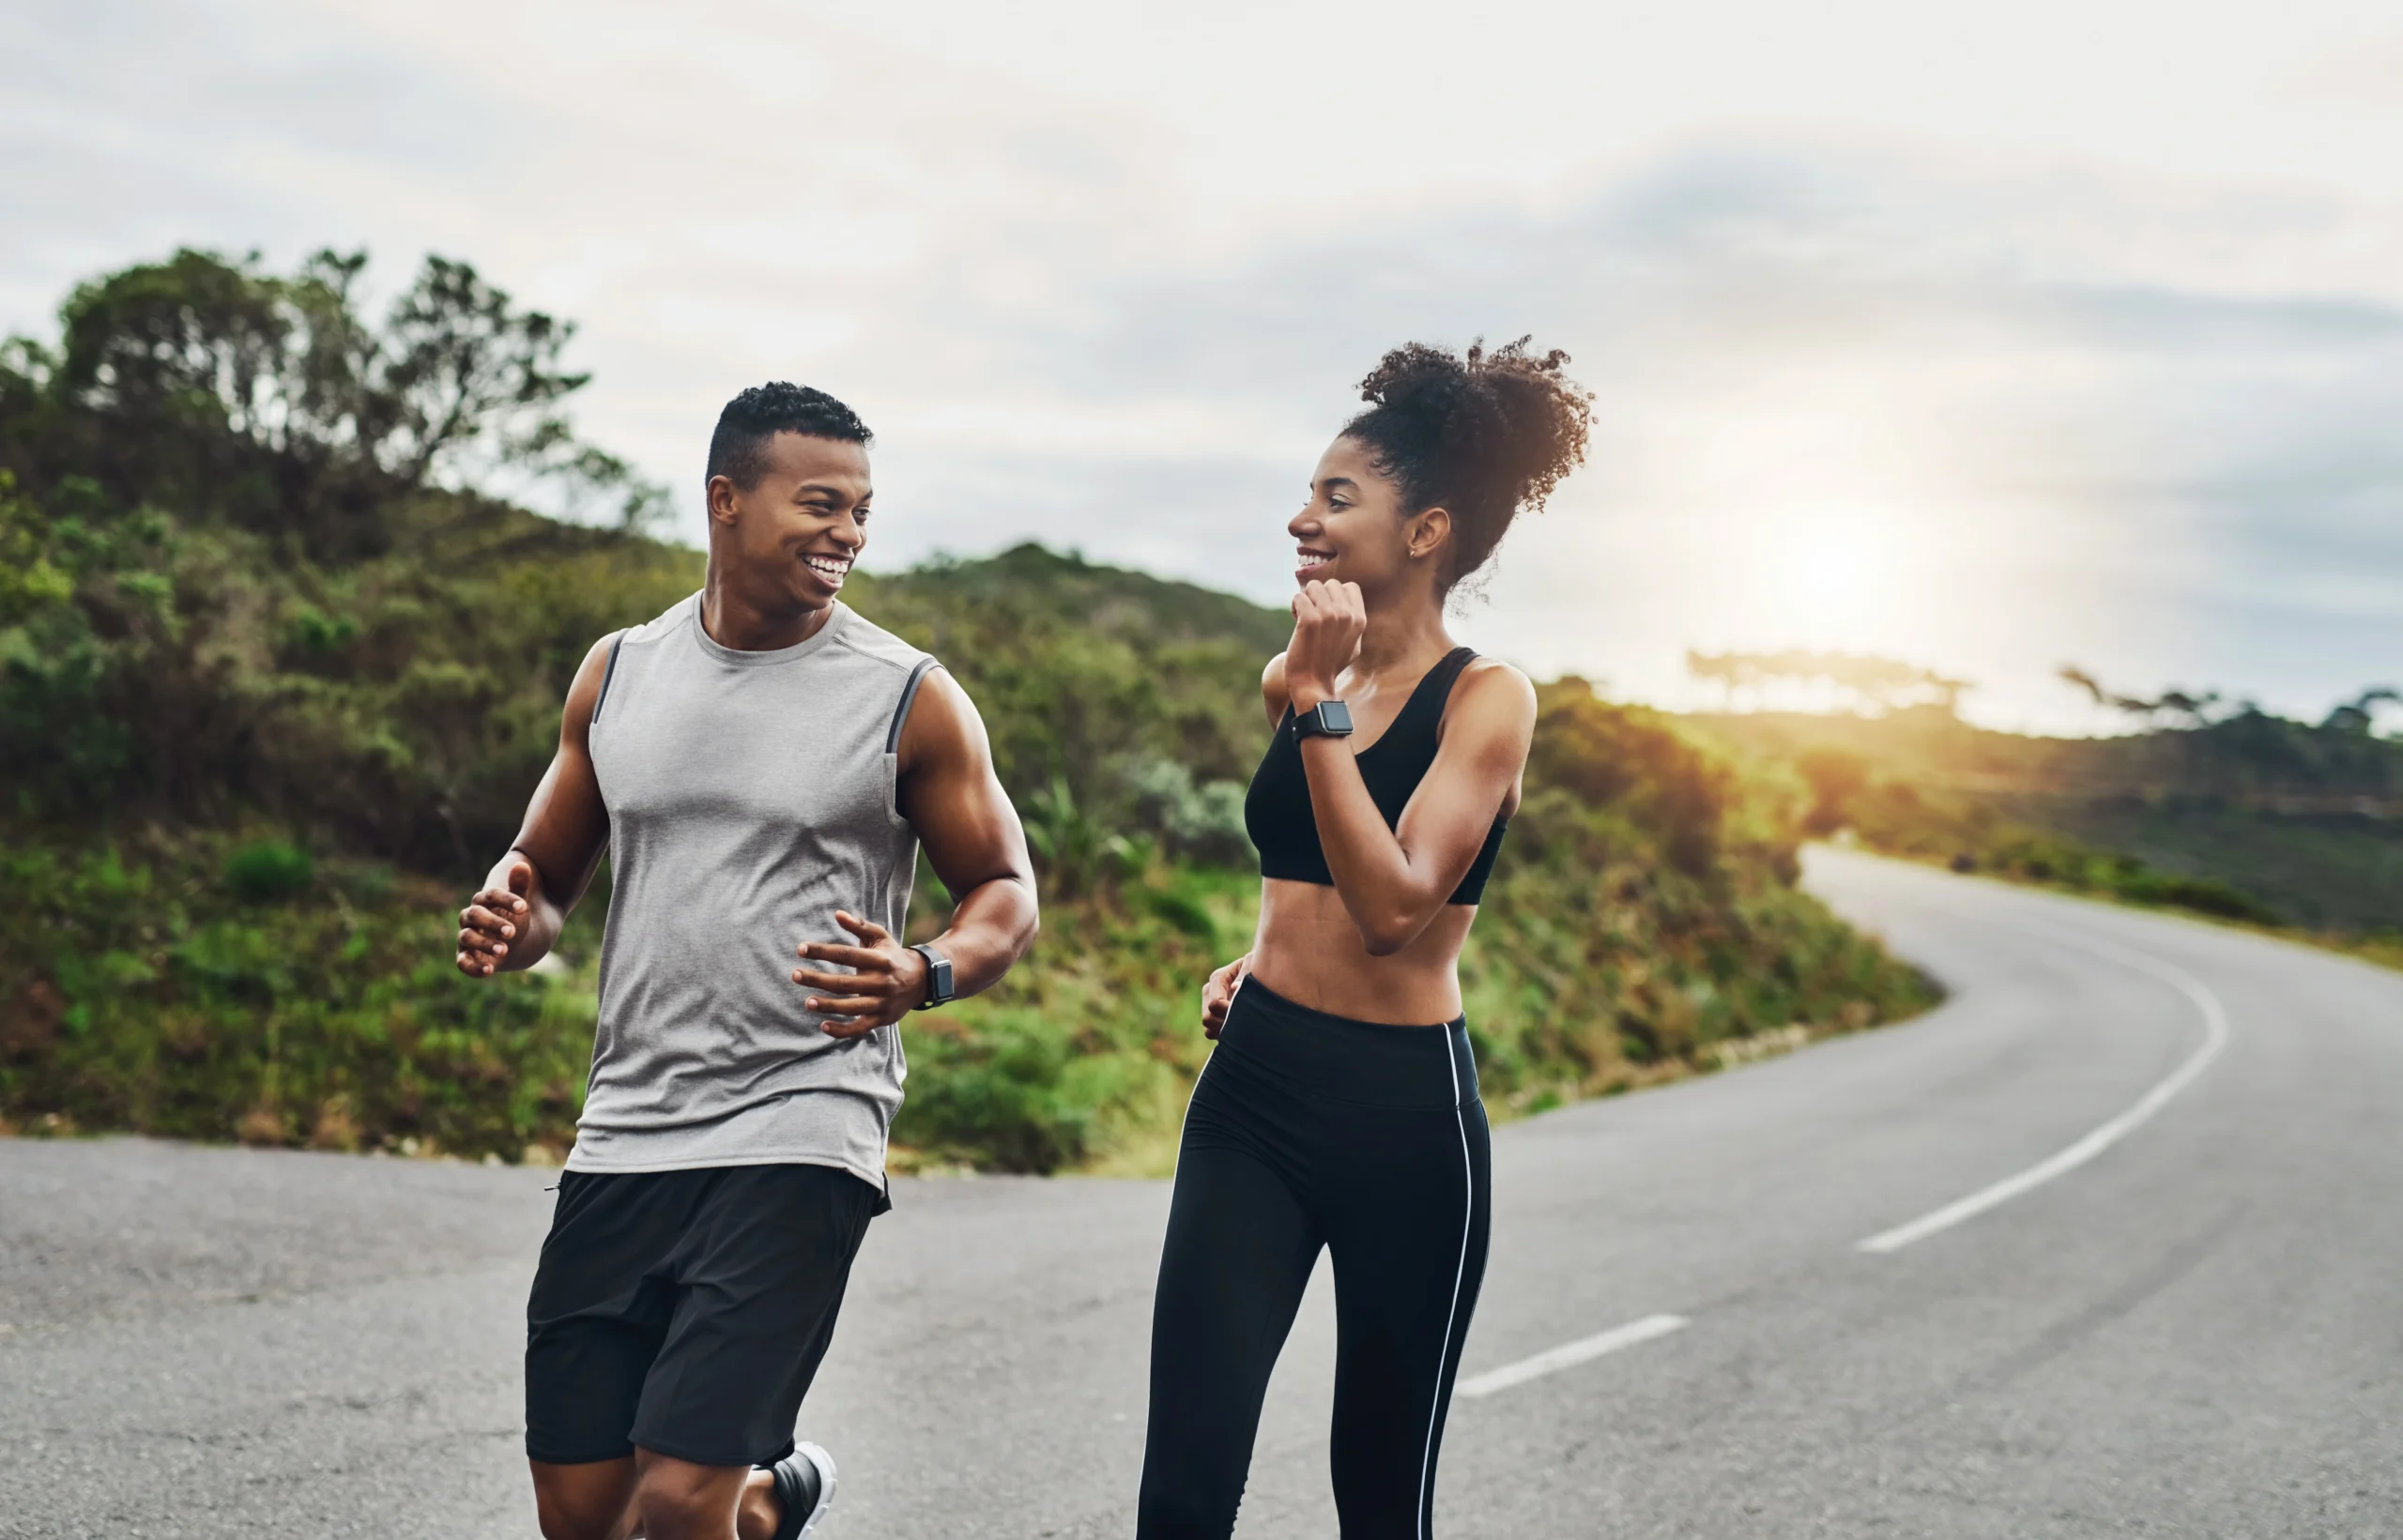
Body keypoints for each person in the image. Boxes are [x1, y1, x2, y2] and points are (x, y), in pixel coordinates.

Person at [453, 382, 1039, 1540]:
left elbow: (1005, 891)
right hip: (628, 1126)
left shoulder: (907, 696)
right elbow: (546, 869)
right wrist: (516, 922)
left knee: (673, 1503)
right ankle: (772, 1505)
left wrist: (925, 971)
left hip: (803, 1121)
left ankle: (732, 1500)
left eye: (862, 511)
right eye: (819, 504)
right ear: (726, 500)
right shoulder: (619, 672)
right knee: (585, 1515)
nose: (849, 535)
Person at [1135, 340, 1592, 1538]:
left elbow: (1394, 909)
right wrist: (1264, 952)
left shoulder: (1486, 699)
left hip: (1402, 1118)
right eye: (1308, 494)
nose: (1303, 520)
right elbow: (1305, 863)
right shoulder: (1295, 676)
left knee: (1380, 1501)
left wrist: (1320, 702)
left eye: (1337, 499)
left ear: (1426, 531)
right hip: (1254, 1090)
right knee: (1182, 1489)